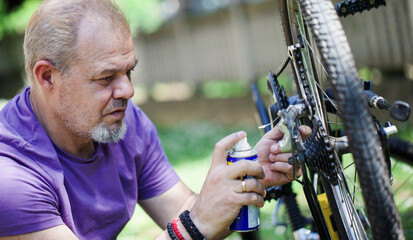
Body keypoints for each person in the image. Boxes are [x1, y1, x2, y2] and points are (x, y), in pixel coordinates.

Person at [0, 0, 310, 239]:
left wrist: (250, 179)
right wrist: (196, 224)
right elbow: (193, 225)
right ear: (47, 77)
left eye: (129, 72)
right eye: (106, 78)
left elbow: (185, 214)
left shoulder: (123, 123)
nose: (128, 91)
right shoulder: (10, 178)